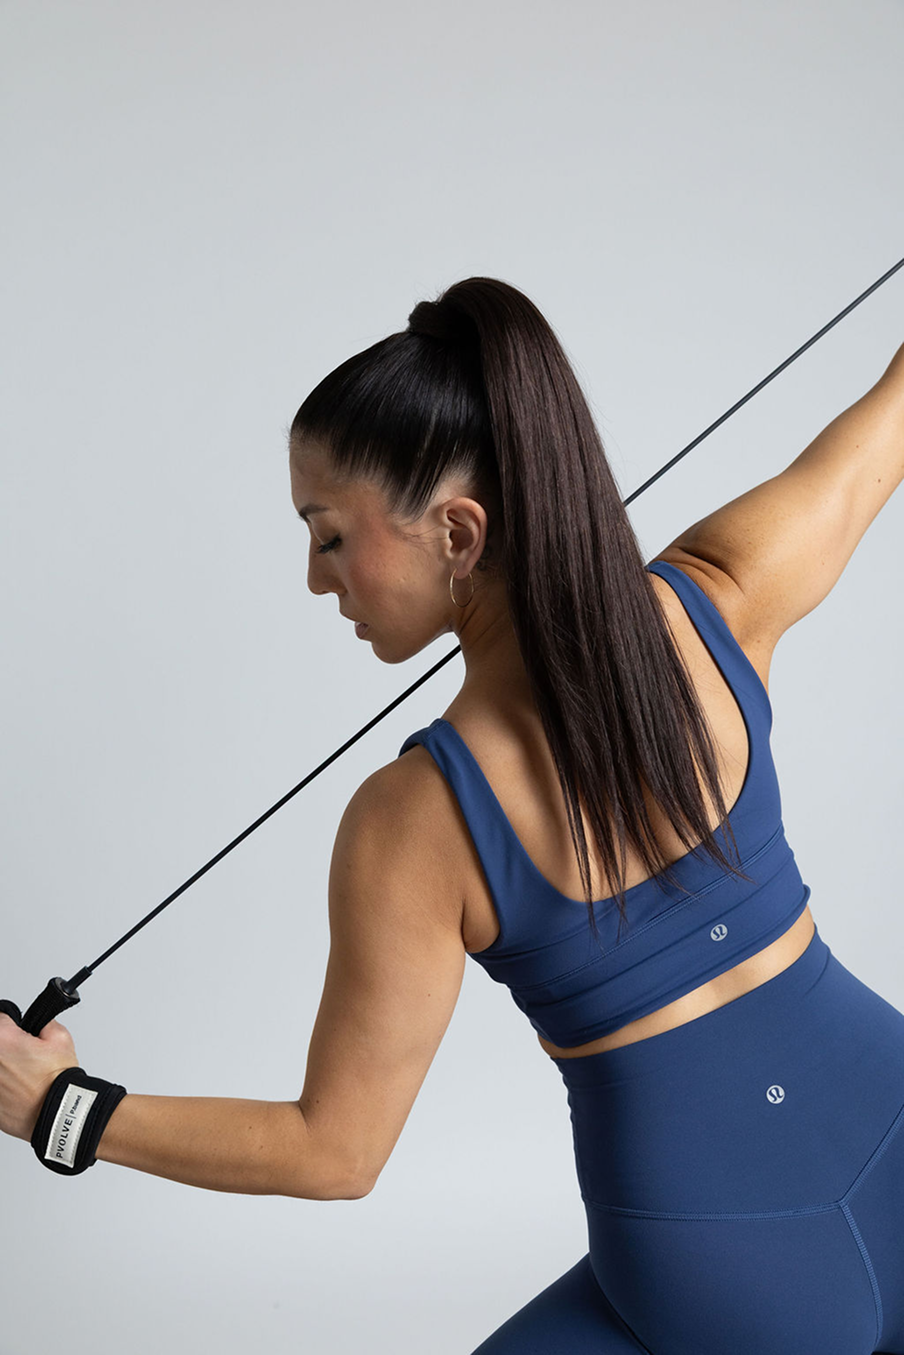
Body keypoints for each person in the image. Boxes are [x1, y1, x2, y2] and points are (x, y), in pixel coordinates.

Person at [1, 276, 903, 1353]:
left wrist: (60, 1108)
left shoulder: (415, 821)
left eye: (329, 536)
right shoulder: (720, 597)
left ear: (457, 532)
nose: (314, 577)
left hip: (717, 1272)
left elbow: (334, 1149)